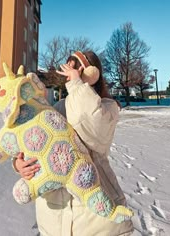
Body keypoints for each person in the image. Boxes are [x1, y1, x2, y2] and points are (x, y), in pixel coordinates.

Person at [13, 51, 134, 236]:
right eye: (67, 66)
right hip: (53, 213)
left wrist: (78, 84)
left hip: (93, 215)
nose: (69, 71)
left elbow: (93, 130)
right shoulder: (58, 107)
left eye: (75, 67)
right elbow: (36, 140)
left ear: (92, 73)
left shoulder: (108, 106)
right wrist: (19, 163)